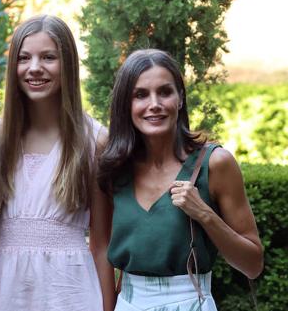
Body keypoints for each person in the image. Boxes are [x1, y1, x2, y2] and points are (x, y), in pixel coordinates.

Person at [100, 49, 264, 310]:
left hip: (191, 302)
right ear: (126, 105)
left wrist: (205, 214)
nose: (154, 103)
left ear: (180, 99)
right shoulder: (115, 167)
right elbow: (101, 250)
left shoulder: (215, 163)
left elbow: (253, 265)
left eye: (165, 92)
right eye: (140, 94)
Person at [0, 15, 115, 311]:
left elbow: (101, 243)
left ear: (67, 64)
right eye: (24, 58)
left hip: (68, 291)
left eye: (48, 57)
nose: (34, 68)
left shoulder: (94, 141)